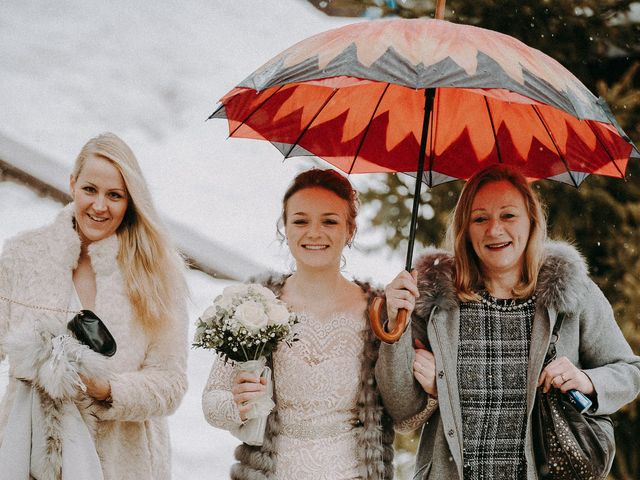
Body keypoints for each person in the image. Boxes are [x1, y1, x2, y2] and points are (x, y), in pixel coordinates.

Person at [375, 164, 640, 479]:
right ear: (465, 228)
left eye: (508, 215)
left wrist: (588, 382)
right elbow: (401, 408)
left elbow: (630, 371)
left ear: (531, 220)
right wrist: (394, 326)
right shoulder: (434, 301)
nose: (494, 230)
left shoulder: (571, 293)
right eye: (480, 218)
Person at [0, 133, 189, 480]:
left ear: (130, 200)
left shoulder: (157, 273)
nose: (100, 206)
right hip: (26, 455)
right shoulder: (21, 256)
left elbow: (171, 383)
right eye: (90, 190)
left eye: (114, 195)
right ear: (72, 184)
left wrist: (108, 390)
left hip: (120, 464)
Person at [202, 169, 404, 480]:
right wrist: (239, 402)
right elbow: (213, 401)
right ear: (285, 226)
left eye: (329, 221)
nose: (314, 232)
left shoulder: (380, 310)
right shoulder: (256, 305)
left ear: (350, 229)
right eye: (300, 220)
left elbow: (407, 416)